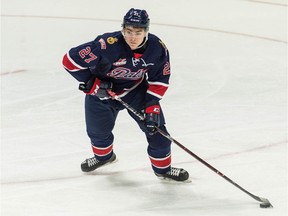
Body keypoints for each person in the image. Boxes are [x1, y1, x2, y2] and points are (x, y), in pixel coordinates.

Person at [62, 8, 189, 182]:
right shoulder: (107, 44)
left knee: (158, 131)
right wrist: (92, 84)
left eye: (138, 32)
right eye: (128, 31)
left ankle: (163, 169)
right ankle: (104, 157)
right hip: (102, 94)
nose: (132, 37)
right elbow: (70, 60)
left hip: (135, 92)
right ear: (123, 29)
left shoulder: (156, 48)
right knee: (97, 133)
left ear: (146, 31)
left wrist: (152, 104)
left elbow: (160, 79)